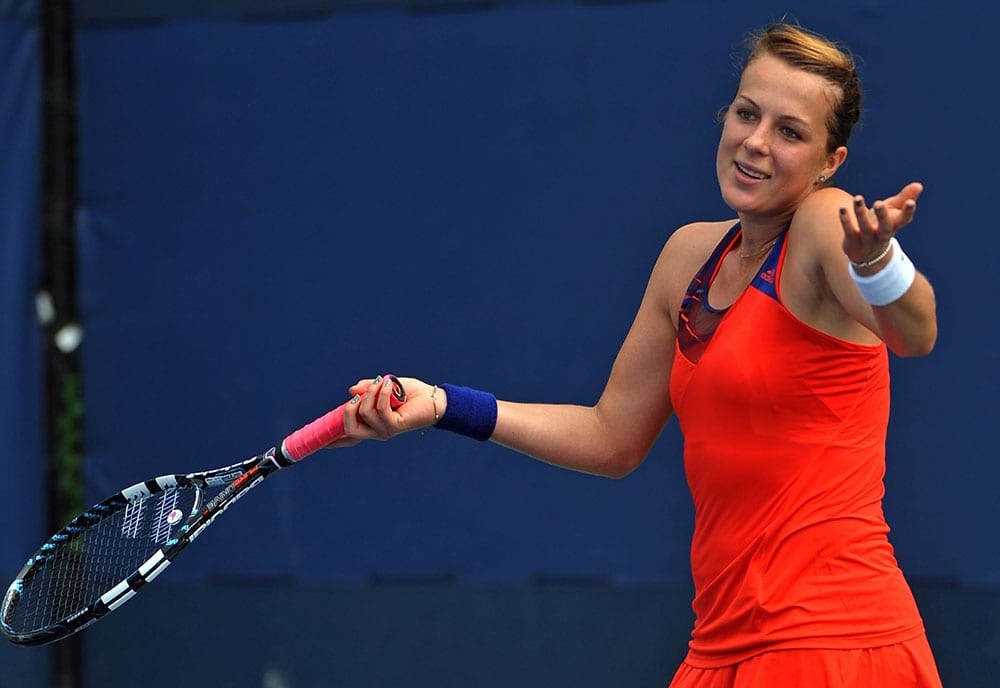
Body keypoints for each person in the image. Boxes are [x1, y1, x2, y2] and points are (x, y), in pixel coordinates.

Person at [332, 22, 941, 687]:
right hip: (719, 647)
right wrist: (446, 406)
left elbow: (914, 333)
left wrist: (878, 261)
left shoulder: (828, 222)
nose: (756, 143)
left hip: (836, 643)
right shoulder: (688, 256)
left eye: (790, 132)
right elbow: (612, 437)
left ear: (831, 161)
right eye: (746, 113)